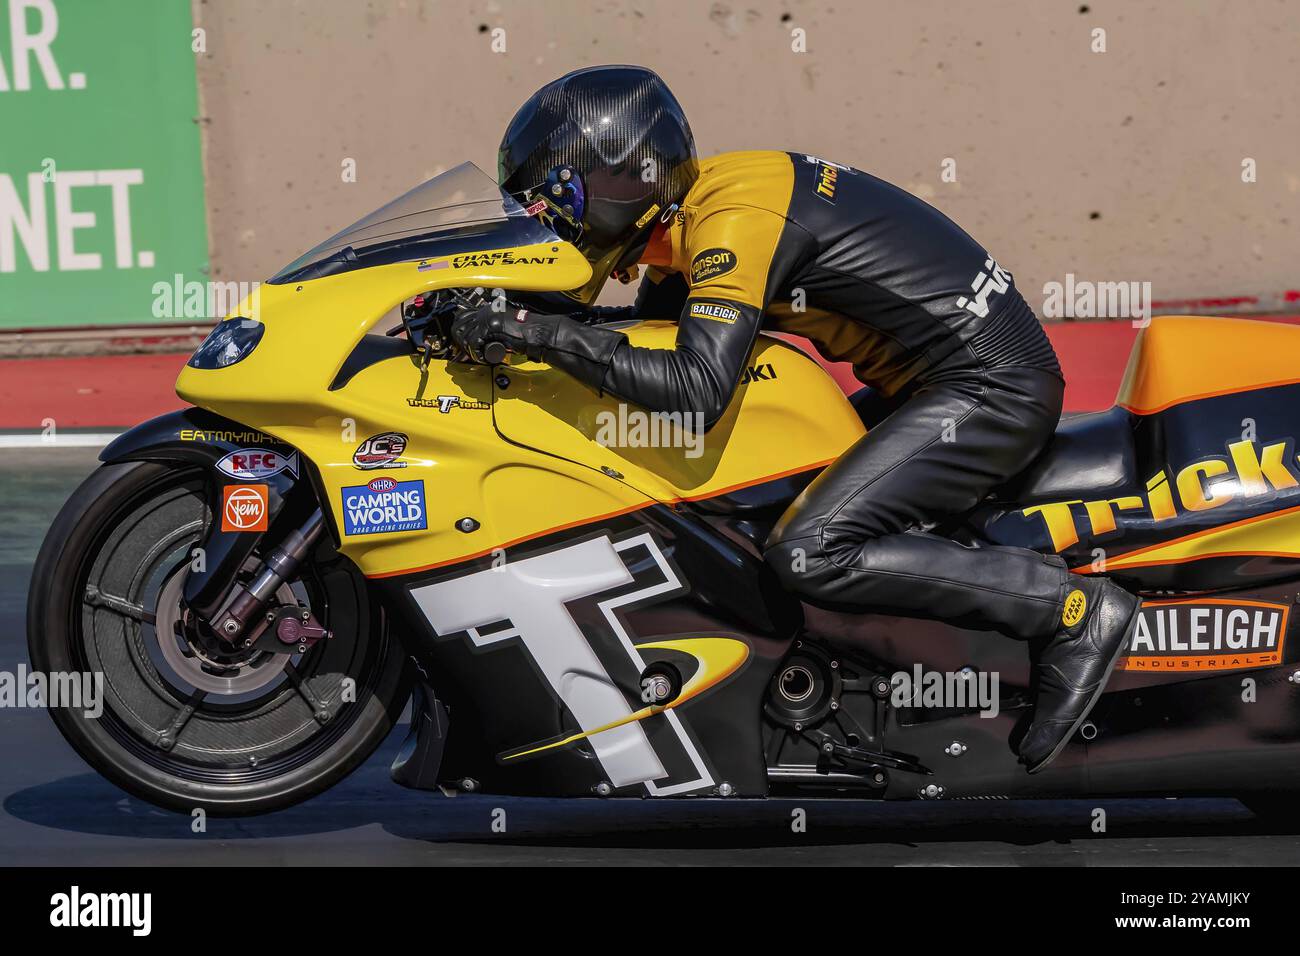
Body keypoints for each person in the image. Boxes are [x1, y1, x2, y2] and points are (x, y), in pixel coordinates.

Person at [451, 65, 1139, 772]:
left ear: (627, 180)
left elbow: (692, 387)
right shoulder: (689, 222)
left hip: (991, 389)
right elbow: (635, 349)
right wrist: (482, 303)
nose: (553, 220)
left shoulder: (732, 223)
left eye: (560, 198)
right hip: (932, 384)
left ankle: (1070, 610)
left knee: (810, 546)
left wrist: (528, 330)